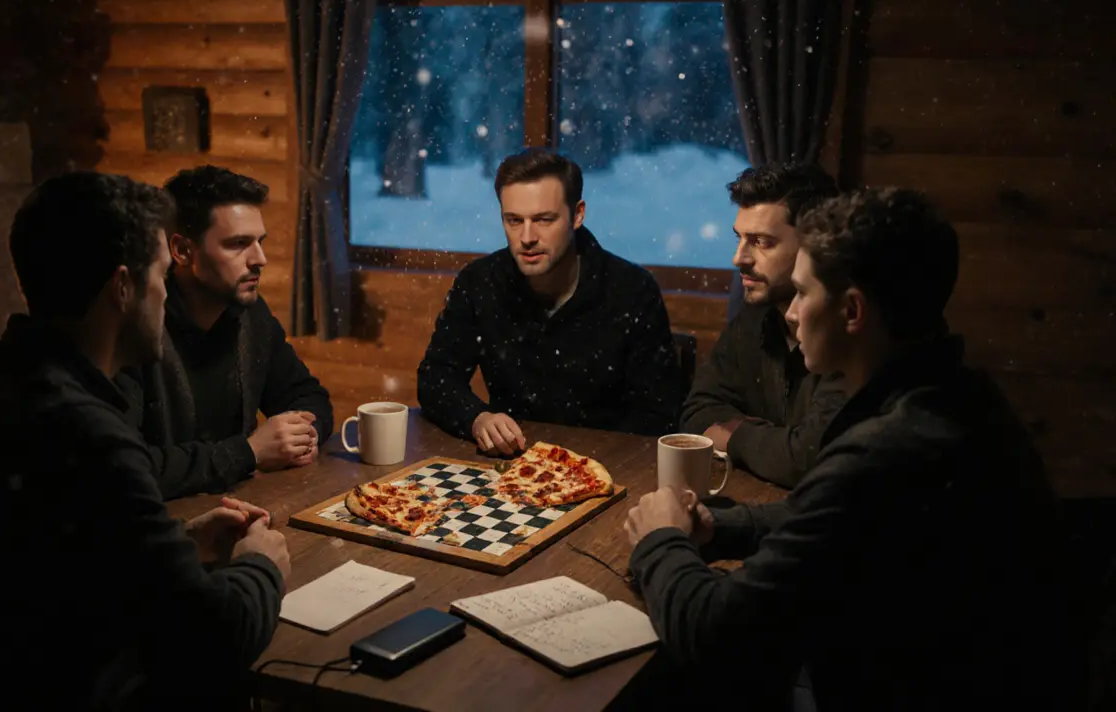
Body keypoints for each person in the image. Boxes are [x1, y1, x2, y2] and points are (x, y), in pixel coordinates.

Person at [624, 188, 1073, 711]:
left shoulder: (889, 452)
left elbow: (717, 638)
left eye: (802, 293)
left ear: (852, 310)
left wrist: (660, 540)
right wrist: (720, 527)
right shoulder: (958, 395)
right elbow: (827, 514)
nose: (791, 314)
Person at [0, 172, 291, 711]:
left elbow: (49, 562)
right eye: (162, 275)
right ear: (123, 288)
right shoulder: (79, 429)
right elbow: (211, 642)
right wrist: (261, 565)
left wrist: (181, 544)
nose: (167, 294)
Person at [417, 148, 679, 453]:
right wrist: (477, 418)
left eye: (544, 219)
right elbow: (436, 378)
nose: (527, 237)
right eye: (514, 220)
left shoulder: (632, 290)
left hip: (610, 465)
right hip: (511, 463)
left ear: (577, 215)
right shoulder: (480, 282)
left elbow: (658, 415)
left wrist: (583, 458)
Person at [117, 165, 333, 500]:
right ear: (182, 251)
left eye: (260, 242)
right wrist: (249, 453)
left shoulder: (251, 314)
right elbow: (124, 470)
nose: (259, 259)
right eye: (239, 244)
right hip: (160, 523)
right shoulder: (135, 330)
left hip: (239, 508)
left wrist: (304, 435)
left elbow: (307, 396)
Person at [680, 162, 845, 488]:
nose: (739, 258)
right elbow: (695, 414)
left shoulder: (844, 332)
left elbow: (809, 459)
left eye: (762, 242)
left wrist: (737, 433)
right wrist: (775, 443)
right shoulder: (755, 317)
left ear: (813, 244)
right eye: (740, 238)